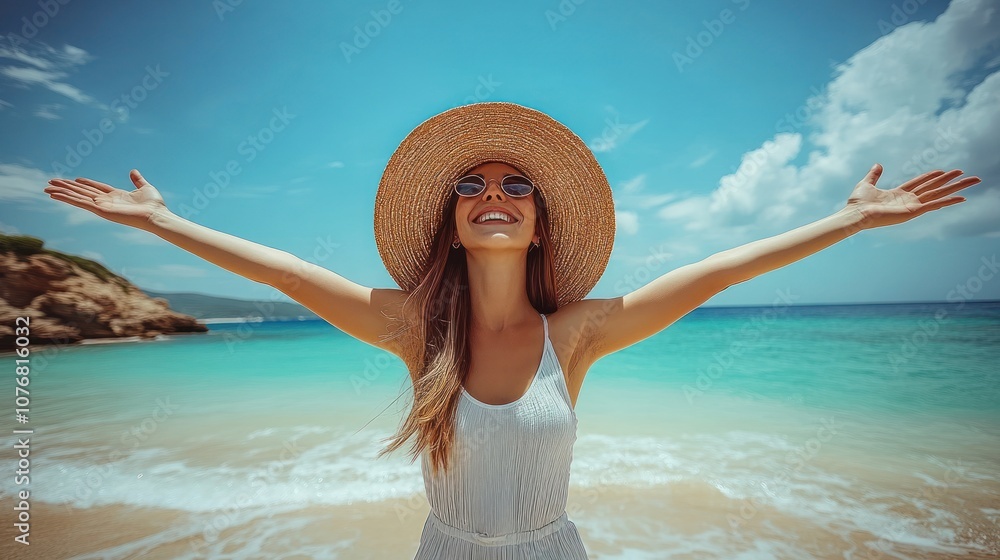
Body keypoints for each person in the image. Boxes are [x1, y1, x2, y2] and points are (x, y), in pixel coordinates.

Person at [43, 101, 981, 558]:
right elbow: (283, 271)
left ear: (539, 220)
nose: (494, 195)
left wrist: (850, 221)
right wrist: (163, 225)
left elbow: (723, 269)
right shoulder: (415, 329)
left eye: (515, 185)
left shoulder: (577, 335)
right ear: (452, 217)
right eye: (473, 185)